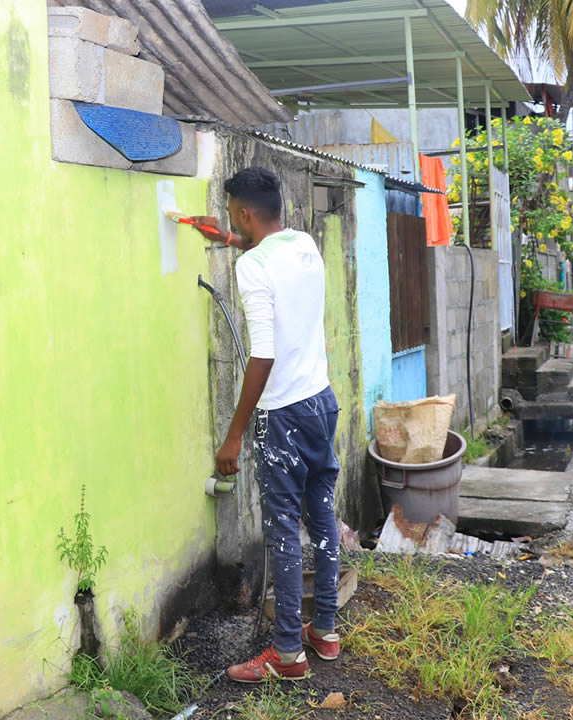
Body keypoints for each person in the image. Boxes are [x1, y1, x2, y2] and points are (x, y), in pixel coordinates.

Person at [189, 167, 342, 683]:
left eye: (235, 214)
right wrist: (230, 237)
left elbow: (263, 355)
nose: (233, 220)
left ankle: (286, 656)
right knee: (321, 517)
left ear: (246, 212)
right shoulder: (305, 245)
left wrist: (234, 432)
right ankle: (324, 630)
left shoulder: (253, 267)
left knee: (281, 532)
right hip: (322, 403)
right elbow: (271, 254)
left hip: (285, 417)